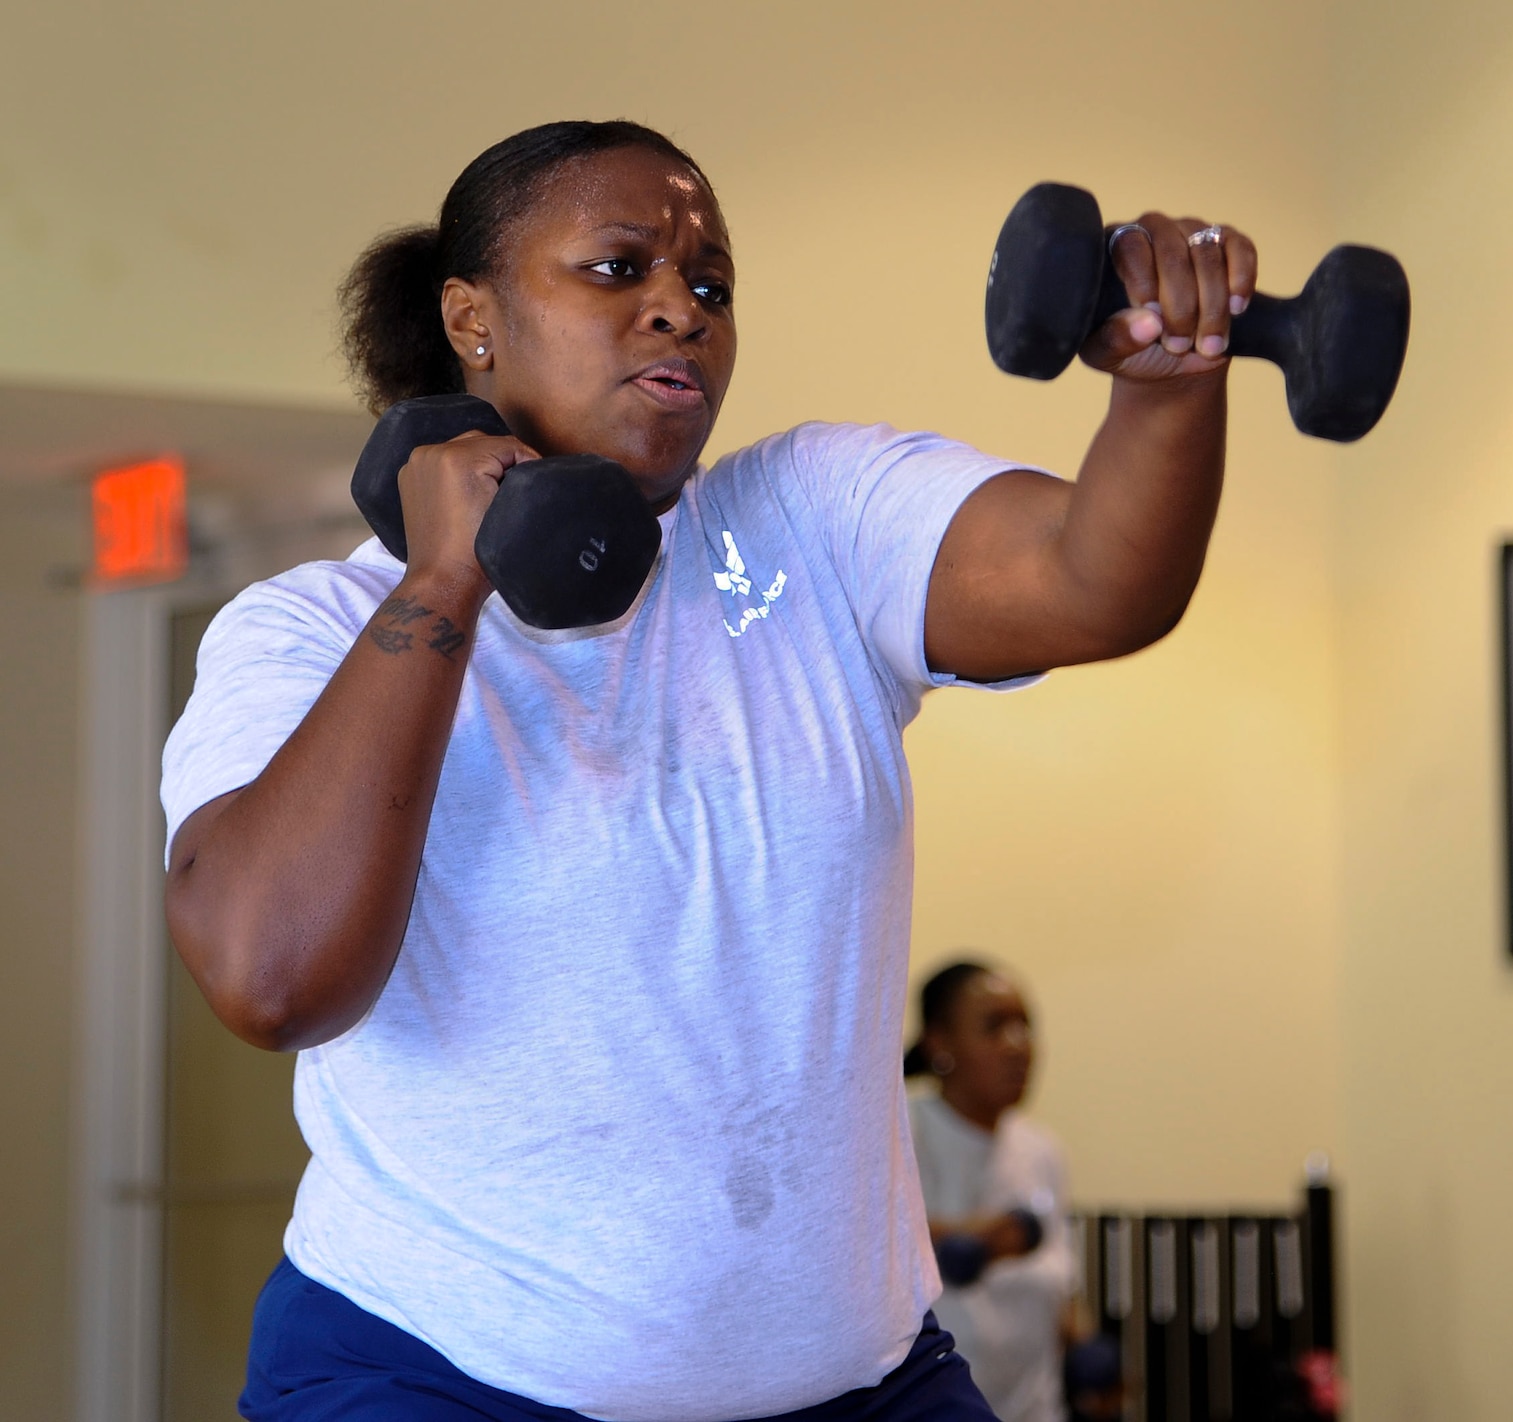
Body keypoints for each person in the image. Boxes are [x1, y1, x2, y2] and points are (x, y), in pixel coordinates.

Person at [160, 118, 1256, 1422]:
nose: (682, 307)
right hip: (440, 1374)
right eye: (621, 268)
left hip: (860, 1381)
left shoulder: (784, 542)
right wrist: (447, 571)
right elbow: (273, 972)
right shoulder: (312, 630)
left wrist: (1171, 382)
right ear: (474, 319)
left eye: (712, 283)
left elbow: (1095, 580)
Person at [904, 962, 1073, 1422]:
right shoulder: (898, 1136)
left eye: (1024, 1025)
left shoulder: (1042, 1152)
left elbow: (1064, 1291)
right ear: (940, 1043)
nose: (1018, 1045)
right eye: (995, 1026)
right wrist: (991, 1237)